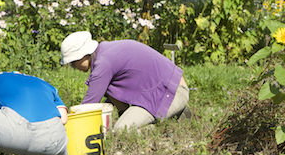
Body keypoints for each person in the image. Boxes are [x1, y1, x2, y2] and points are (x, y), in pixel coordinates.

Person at [61, 31, 190, 131]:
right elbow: (112, 96)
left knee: (121, 131)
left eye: (73, 62)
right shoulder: (105, 51)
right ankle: (173, 115)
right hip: (164, 91)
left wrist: (67, 123)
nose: (73, 67)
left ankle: (165, 126)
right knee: (113, 101)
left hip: (171, 94)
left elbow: (87, 107)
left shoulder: (103, 63)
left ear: (84, 55)